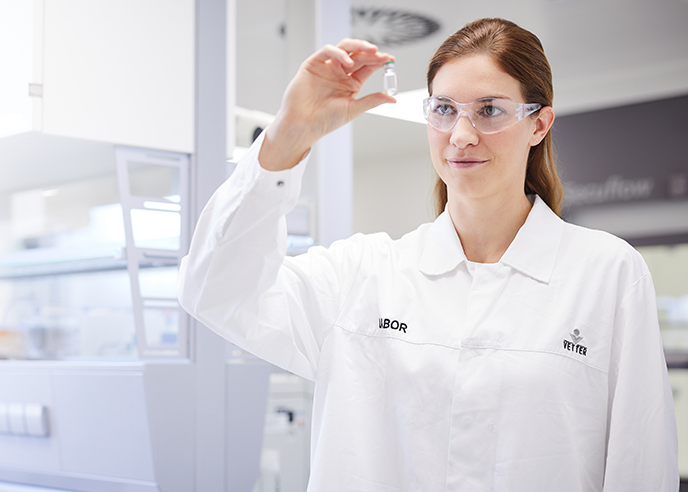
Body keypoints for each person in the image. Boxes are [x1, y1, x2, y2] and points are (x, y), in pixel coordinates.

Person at [178, 17, 678, 492]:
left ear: (539, 124)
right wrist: (288, 136)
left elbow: (641, 465)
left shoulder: (607, 273)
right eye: (443, 109)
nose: (461, 135)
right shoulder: (365, 274)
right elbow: (213, 290)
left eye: (489, 110)